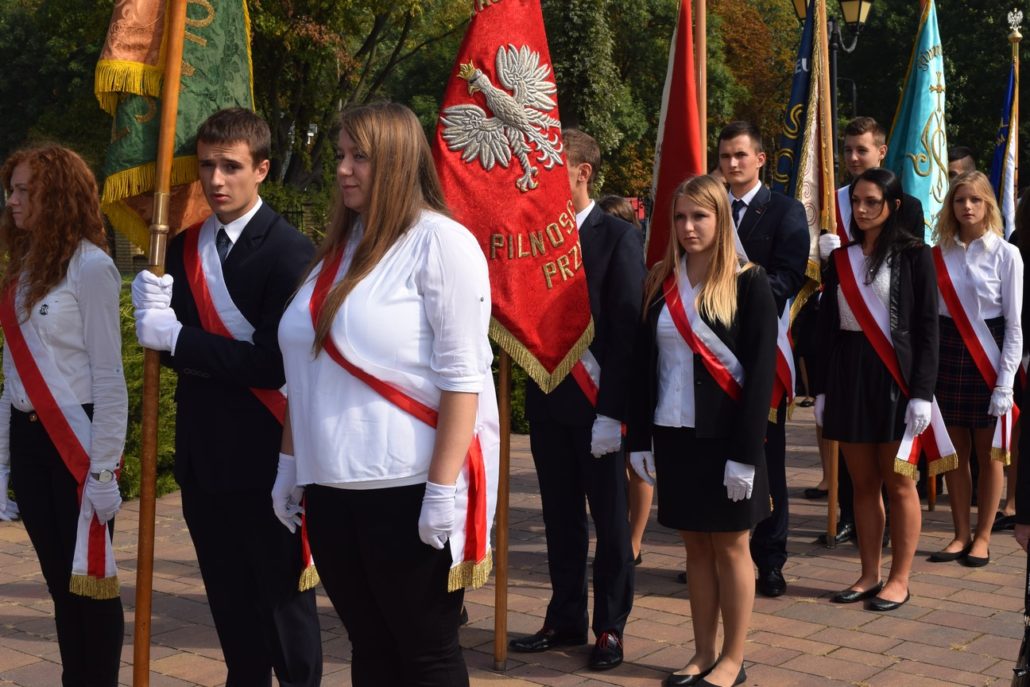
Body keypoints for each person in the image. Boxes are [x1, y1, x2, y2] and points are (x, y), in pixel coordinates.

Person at [271, 101, 497, 686]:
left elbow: (462, 376)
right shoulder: (338, 249)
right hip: (330, 486)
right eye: (341, 155)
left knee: (424, 654)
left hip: (406, 485)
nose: (344, 169)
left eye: (360, 157)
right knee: (369, 648)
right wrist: (289, 464)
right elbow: (305, 370)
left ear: (396, 161)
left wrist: (442, 489)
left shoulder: (440, 242)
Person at [131, 108, 322, 686]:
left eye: (231, 167)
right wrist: (152, 318)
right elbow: (173, 352)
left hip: (266, 455)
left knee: (283, 606)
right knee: (228, 603)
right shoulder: (184, 246)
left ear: (262, 169)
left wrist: (180, 338)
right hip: (202, 453)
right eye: (208, 165)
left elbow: (272, 363)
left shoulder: (290, 250)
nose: (216, 180)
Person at [628, 175, 776, 687]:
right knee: (694, 546)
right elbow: (646, 366)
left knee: (732, 545)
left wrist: (745, 453)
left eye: (700, 216)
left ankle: (734, 658)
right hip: (673, 433)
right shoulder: (659, 280)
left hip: (727, 440)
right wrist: (639, 439)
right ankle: (701, 653)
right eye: (681, 217)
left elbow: (760, 376)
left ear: (721, 218)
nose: (689, 227)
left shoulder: (749, 281)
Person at [509, 128, 644, 670]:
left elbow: (625, 331)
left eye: (548, 170)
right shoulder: (533, 236)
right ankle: (564, 615)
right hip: (548, 400)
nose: (537, 182)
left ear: (582, 171)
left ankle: (608, 626)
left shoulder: (616, 236)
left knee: (610, 524)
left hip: (598, 406)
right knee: (559, 517)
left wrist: (613, 411)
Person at [0, 145, 127, 686]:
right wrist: (4, 463)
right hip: (31, 443)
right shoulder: (24, 267)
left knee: (90, 583)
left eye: (25, 189)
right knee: (59, 583)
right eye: (12, 188)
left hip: (76, 445)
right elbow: (12, 375)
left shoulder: (92, 267)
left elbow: (110, 379)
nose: (12, 200)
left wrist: (102, 470)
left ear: (56, 195)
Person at [815, 167, 939, 611]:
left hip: (894, 377)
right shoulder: (842, 258)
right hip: (850, 372)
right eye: (857, 202)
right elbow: (829, 326)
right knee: (861, 483)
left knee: (900, 483)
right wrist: (824, 388)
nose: (862, 209)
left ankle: (899, 578)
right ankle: (868, 573)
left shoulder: (915, 256)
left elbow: (927, 329)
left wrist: (922, 392)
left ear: (894, 206)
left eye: (872, 202)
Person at [717, 121, 808, 598]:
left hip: (760, 346)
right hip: (708, 348)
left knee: (765, 457)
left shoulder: (786, 211)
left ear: (760, 160)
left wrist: (731, 293)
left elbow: (788, 277)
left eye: (740, 155)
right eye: (725, 156)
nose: (732, 164)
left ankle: (770, 558)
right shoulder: (709, 207)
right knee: (714, 452)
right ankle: (720, 548)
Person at [928, 171, 1022, 567]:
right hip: (949, 352)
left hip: (990, 353)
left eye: (975, 200)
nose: (967, 207)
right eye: (959, 200)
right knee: (955, 452)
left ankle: (982, 535)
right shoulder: (939, 252)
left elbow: (1015, 326)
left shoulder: (1006, 254)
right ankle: (959, 533)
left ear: (988, 205)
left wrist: (1006, 383)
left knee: (991, 455)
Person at [597, 195, 652, 565]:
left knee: (637, 461)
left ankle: (635, 537)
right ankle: (622, 533)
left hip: (631, 372)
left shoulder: (627, 251)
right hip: (600, 374)